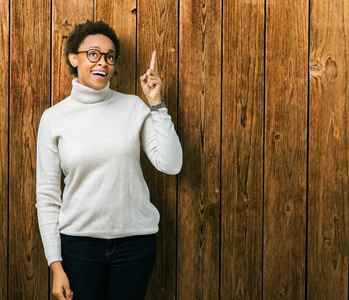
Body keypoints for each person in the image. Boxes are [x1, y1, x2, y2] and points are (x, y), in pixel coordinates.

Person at [36, 20, 182, 300]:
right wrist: (55, 265)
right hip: (78, 247)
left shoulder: (133, 106)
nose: (102, 62)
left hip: (135, 245)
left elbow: (171, 164)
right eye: (93, 53)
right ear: (73, 58)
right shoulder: (54, 118)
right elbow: (47, 197)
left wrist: (157, 105)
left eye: (109, 56)